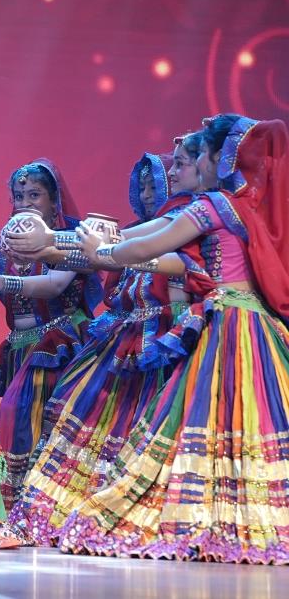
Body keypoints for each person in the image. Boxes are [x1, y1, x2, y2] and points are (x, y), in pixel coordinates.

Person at [60, 115, 289, 564]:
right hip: (259, 325)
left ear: (220, 158)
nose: (196, 164)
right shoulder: (256, 206)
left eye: (200, 155)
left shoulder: (216, 205)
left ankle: (210, 514)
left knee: (204, 417)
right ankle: (256, 513)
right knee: (255, 418)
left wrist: (100, 253)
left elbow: (151, 245)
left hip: (227, 325)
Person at [9, 148, 201, 544]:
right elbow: (101, 259)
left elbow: (125, 258)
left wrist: (50, 244)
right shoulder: (141, 227)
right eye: (142, 187)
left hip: (163, 342)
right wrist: (48, 250)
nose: (147, 195)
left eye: (154, 185)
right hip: (121, 339)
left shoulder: (188, 221)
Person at [0, 159, 101, 508]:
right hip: (20, 347)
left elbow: (54, 285)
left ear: (54, 200)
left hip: (59, 343)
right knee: (21, 425)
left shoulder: (69, 235)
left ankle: (43, 506)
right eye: (19, 196)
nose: (25, 203)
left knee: (39, 426)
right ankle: (22, 508)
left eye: (35, 195)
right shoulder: (7, 239)